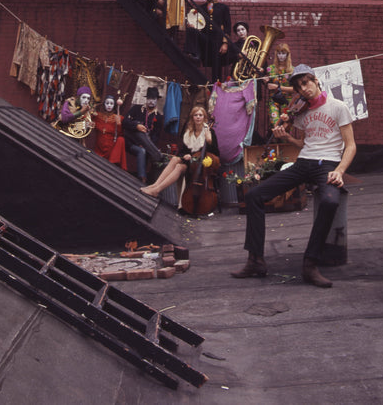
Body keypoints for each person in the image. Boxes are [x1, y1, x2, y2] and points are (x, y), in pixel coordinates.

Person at [231, 65, 356, 288]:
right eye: (298, 87)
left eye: (306, 83)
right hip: (304, 162)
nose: (303, 89)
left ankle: (310, 263)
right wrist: (287, 136)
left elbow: (351, 146)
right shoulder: (302, 112)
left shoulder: (339, 107)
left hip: (327, 164)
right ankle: (256, 260)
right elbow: (305, 143)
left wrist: (340, 171)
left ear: (316, 81)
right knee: (254, 196)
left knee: (329, 201)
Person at [140, 105, 219, 198]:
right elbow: (183, 151)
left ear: (204, 118)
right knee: (174, 159)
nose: (198, 117)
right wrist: (186, 155)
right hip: (189, 161)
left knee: (179, 167)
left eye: (200, 115)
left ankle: (157, 190)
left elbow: (216, 153)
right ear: (192, 117)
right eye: (196, 115)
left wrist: (209, 141)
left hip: (200, 165)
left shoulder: (209, 132)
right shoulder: (189, 131)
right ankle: (155, 185)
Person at [184, 0, 232, 81]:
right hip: (206, 37)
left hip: (217, 40)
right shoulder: (201, 7)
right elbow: (196, 20)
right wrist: (193, 25)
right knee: (190, 30)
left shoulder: (223, 8)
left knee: (216, 65)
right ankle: (194, 54)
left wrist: (225, 43)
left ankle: (216, 87)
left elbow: (227, 27)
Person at [123, 86, 164, 183]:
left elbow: (156, 136)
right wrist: (136, 126)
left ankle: (142, 178)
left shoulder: (159, 117)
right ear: (146, 99)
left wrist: (146, 144)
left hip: (146, 145)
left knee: (144, 148)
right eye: (149, 98)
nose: (151, 101)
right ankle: (158, 155)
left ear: (157, 100)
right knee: (140, 131)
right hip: (131, 141)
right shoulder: (136, 109)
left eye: (153, 99)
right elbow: (125, 122)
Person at [92, 94, 127, 169]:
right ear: (104, 104)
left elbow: (121, 134)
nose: (109, 105)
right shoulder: (97, 116)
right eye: (107, 103)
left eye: (111, 104)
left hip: (111, 148)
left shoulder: (118, 118)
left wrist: (119, 124)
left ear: (114, 105)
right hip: (98, 147)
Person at [265, 42, 294, 128]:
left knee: (285, 128)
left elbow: (295, 88)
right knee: (276, 125)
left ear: (287, 54)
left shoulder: (292, 70)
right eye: (279, 53)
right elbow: (267, 84)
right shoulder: (270, 69)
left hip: (287, 102)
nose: (281, 56)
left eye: (283, 53)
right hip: (274, 101)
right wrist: (265, 81)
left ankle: (283, 141)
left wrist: (278, 87)